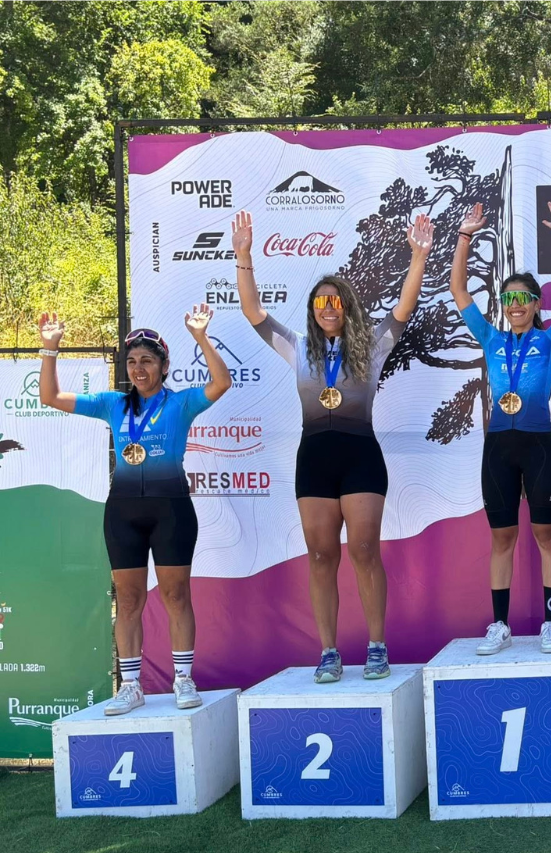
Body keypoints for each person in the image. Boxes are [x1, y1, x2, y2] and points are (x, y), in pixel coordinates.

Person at [230, 209, 432, 682]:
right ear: (313, 308)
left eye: (336, 301)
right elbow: (253, 312)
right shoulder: (298, 347)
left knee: (363, 549)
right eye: (321, 301)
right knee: (321, 556)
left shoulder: (373, 345)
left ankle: (377, 646)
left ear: (347, 307)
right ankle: (328, 652)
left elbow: (404, 308)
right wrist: (243, 256)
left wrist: (419, 257)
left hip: (360, 456)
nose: (328, 307)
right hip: (315, 460)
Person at [38, 307, 232, 715]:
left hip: (171, 510)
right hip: (123, 512)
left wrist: (201, 337)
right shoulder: (112, 404)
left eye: (147, 361)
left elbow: (222, 382)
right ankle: (130, 686)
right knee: (127, 600)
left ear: (164, 366)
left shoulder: (181, 403)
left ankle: (183, 679)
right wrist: (50, 349)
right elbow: (51, 397)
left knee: (176, 595)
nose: (138, 369)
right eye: (132, 362)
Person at [449, 198, 551, 655]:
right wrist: (465, 236)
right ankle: (500, 625)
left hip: (538, 446)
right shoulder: (491, 338)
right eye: (508, 299)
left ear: (535, 303)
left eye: (523, 298)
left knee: (547, 535)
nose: (515, 305)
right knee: (501, 538)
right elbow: (458, 289)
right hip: (498, 449)